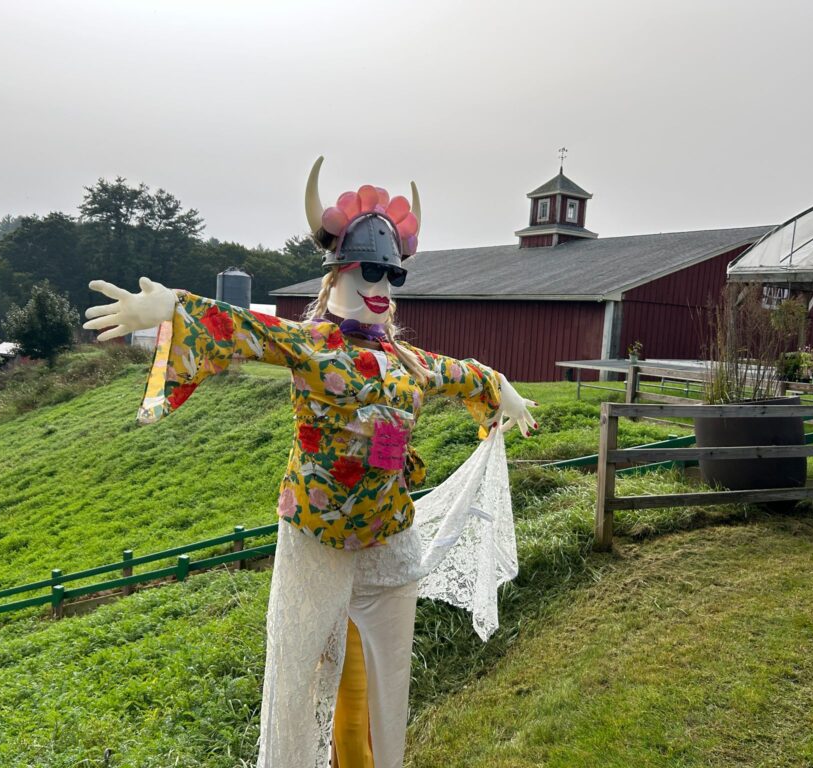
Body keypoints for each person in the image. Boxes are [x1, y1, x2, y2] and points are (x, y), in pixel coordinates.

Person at [83, 157, 536, 768]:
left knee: (384, 679)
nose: (380, 288)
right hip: (316, 539)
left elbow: (460, 374)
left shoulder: (406, 359)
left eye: (391, 276)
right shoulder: (314, 345)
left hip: (388, 536)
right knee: (297, 668)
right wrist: (172, 309)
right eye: (368, 271)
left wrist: (501, 387)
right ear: (337, 275)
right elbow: (247, 329)